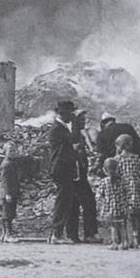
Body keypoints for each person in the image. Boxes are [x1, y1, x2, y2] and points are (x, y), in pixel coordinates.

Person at [66, 109, 100, 244]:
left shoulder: (77, 133)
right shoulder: (73, 134)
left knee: (73, 205)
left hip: (78, 175)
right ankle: (88, 233)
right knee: (89, 203)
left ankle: (72, 234)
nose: (84, 121)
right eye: (81, 119)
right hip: (76, 175)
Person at [47, 100, 78, 244]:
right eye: (71, 113)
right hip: (61, 168)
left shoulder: (61, 127)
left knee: (65, 200)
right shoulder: (58, 129)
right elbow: (73, 140)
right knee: (62, 201)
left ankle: (58, 233)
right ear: (63, 113)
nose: (72, 116)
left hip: (63, 168)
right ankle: (56, 234)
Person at [115, 134, 140, 248]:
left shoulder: (117, 159)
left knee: (122, 214)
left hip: (123, 188)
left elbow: (116, 173)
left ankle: (124, 239)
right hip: (135, 188)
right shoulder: (136, 158)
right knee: (135, 214)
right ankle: (136, 238)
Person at [96, 157, 129, 250]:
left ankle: (114, 243)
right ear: (117, 168)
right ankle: (124, 242)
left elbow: (99, 195)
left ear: (104, 170)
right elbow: (126, 192)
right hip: (121, 207)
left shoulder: (104, 182)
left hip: (110, 208)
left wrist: (101, 203)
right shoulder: (122, 181)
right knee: (122, 226)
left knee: (113, 227)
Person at [0, 141, 21, 243]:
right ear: (5, 152)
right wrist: (7, 193)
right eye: (10, 151)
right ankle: (8, 234)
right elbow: (4, 180)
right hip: (8, 193)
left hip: (12, 192)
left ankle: (4, 234)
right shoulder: (6, 164)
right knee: (7, 214)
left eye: (14, 151)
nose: (12, 153)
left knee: (10, 213)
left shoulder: (12, 163)